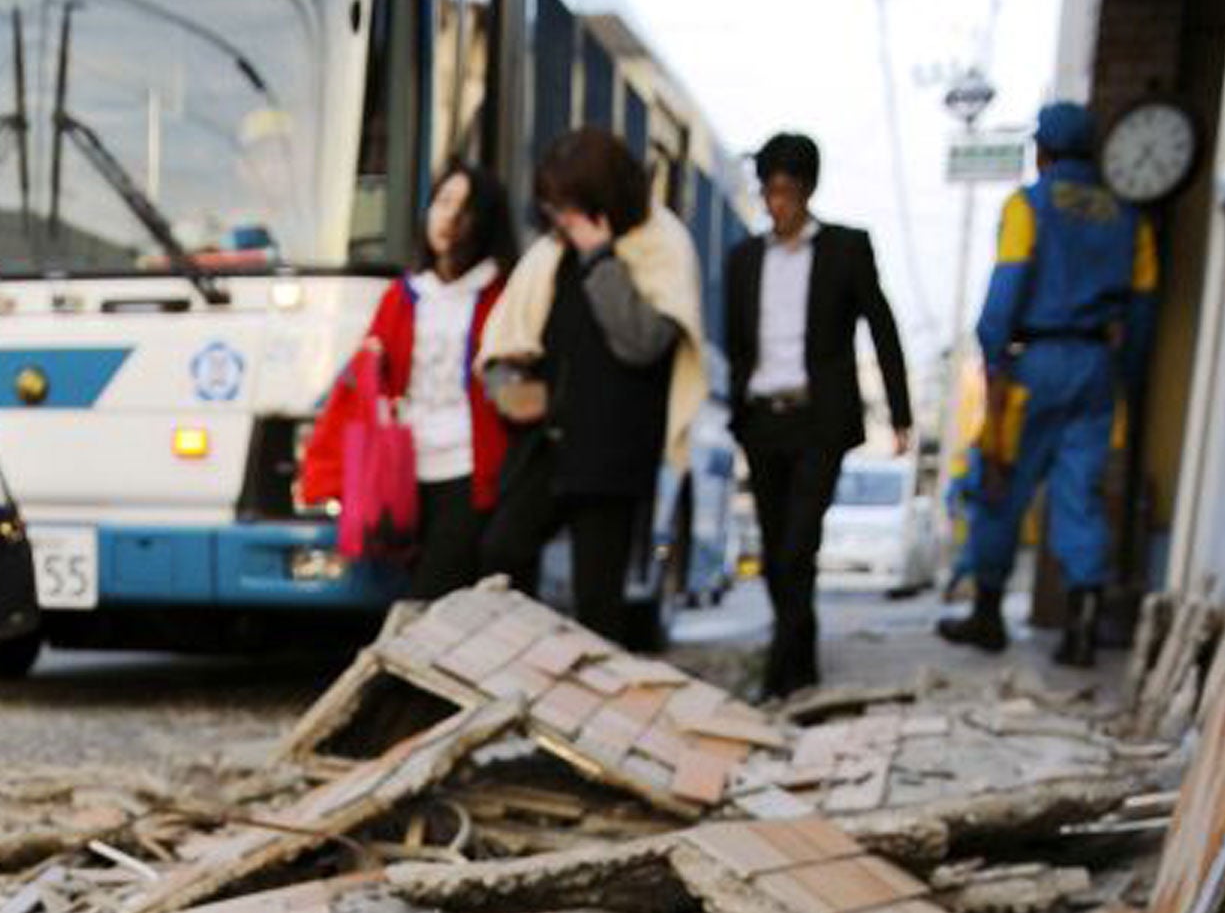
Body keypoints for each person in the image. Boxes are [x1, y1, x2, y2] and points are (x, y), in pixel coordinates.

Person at [938, 102, 1158, 667]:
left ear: (1043, 152)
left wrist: (994, 358)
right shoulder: (1130, 218)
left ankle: (987, 613)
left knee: (1000, 483)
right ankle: (1080, 626)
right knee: (1079, 496)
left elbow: (1005, 289)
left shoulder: (1030, 205)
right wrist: (1123, 377)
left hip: (1035, 366)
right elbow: (1142, 310)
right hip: (1096, 370)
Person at [477, 129, 705, 647]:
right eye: (554, 207)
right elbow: (513, 334)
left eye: (570, 206)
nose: (560, 219)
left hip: (612, 454)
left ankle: (584, 715)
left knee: (598, 598)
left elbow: (641, 342)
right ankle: (519, 666)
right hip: (548, 443)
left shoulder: (661, 246)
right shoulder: (551, 253)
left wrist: (602, 259)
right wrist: (511, 387)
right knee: (502, 550)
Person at [724, 132, 910, 698]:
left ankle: (781, 676)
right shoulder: (743, 259)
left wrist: (900, 413)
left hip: (818, 421)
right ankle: (798, 656)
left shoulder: (846, 249)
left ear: (805, 190)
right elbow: (736, 340)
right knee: (776, 549)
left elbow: (882, 327)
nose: (776, 203)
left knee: (798, 545)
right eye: (768, 192)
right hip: (762, 420)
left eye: (786, 191)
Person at [297, 162, 517, 599]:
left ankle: (390, 670)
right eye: (442, 202)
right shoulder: (403, 295)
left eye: (463, 207)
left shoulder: (500, 296)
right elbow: (360, 389)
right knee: (412, 597)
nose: (447, 218)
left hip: (467, 468)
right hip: (403, 469)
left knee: (432, 597)